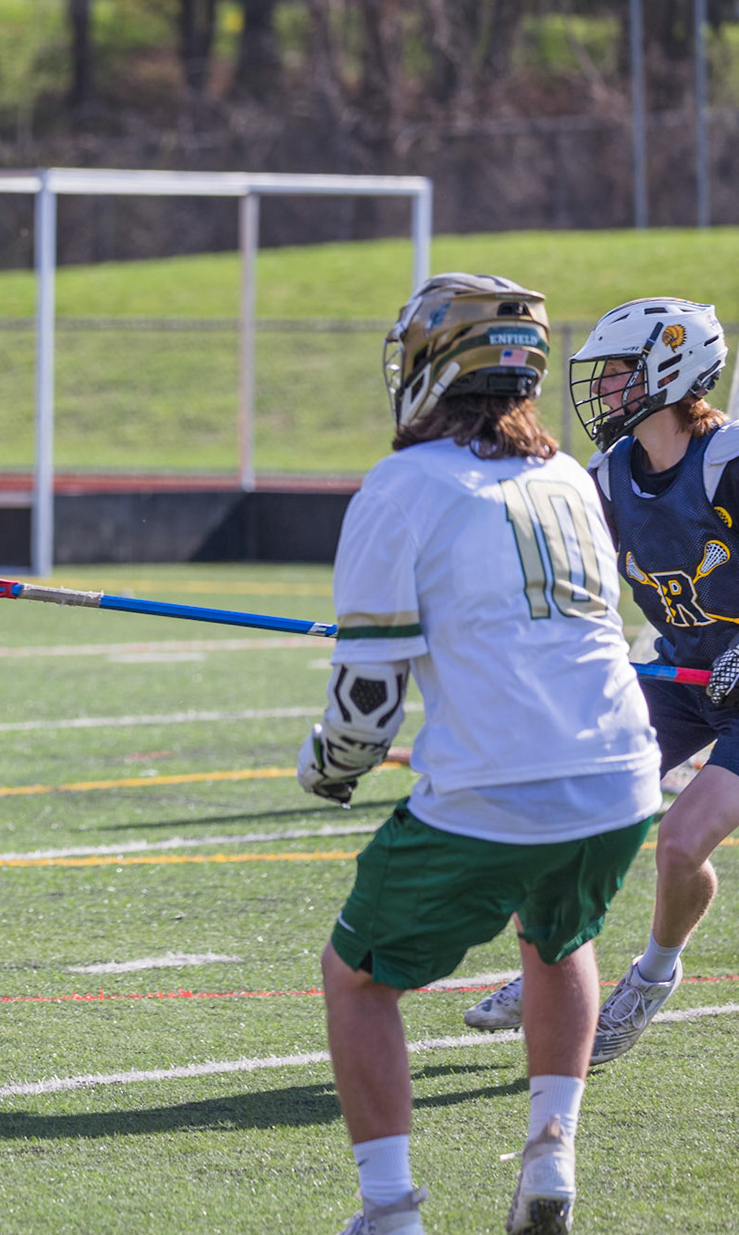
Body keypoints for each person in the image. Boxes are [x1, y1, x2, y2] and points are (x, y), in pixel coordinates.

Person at [299, 274, 661, 1235]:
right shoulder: (569, 477)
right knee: (559, 938)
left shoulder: (401, 485)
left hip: (499, 789)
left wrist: (329, 767)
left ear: (433, 367)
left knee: (357, 977)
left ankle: (390, 1211)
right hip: (622, 775)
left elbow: (366, 706)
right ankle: (551, 1153)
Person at [464, 297, 735, 1067]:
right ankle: (553, 964)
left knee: (679, 844)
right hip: (681, 675)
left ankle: (651, 977)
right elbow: (566, 587)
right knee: (562, 802)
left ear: (672, 371)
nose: (604, 387)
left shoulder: (727, 462)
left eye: (619, 372)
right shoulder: (609, 476)